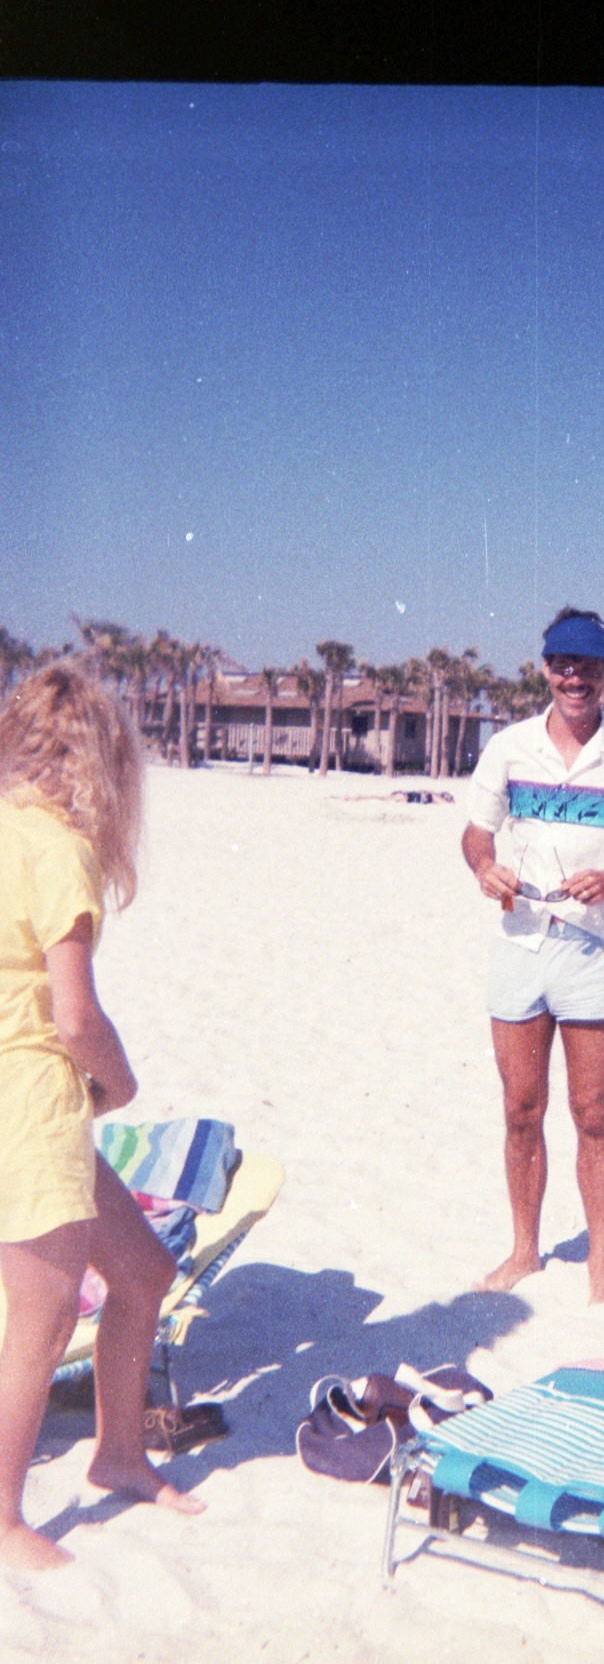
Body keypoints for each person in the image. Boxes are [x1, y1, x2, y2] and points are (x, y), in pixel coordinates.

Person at [0, 662, 204, 1571]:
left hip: (17, 1102)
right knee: (41, 1322)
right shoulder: (59, 848)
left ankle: (118, 1453)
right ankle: (3, 1520)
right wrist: (119, 1087)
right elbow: (76, 1018)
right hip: (33, 1104)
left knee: (144, 1272)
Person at [462, 608, 604, 1303]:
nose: (574, 678)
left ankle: (599, 1264)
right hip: (521, 944)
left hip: (596, 951)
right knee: (520, 1109)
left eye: (588, 667)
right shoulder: (510, 746)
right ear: (545, 670)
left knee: (592, 1113)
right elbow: (476, 833)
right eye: (563, 665)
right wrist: (485, 869)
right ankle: (524, 1251)